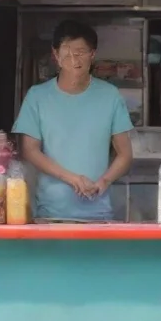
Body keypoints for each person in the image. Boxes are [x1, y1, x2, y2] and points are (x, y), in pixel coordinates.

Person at [13, 20, 134, 221]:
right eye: (67, 53)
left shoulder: (110, 96)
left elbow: (125, 154)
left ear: (92, 55)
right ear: (55, 55)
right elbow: (30, 150)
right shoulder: (37, 97)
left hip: (98, 215)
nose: (74, 60)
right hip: (51, 214)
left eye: (80, 53)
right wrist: (72, 179)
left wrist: (103, 182)